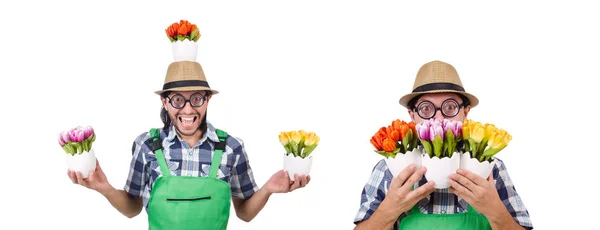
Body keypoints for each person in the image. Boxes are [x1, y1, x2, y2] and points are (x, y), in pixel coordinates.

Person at [67, 60, 310, 229]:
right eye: (177, 99)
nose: (187, 109)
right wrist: (105, 188)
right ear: (164, 101)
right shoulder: (146, 145)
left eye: (196, 98)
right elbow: (132, 208)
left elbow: (245, 214)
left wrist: (267, 188)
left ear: (208, 99)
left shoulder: (231, 147)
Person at [353, 60, 533, 229]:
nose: (438, 118)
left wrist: (495, 211)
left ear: (465, 111)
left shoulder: (492, 169)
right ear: (412, 115)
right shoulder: (389, 169)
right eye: (426, 109)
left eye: (449, 107)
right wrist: (390, 209)